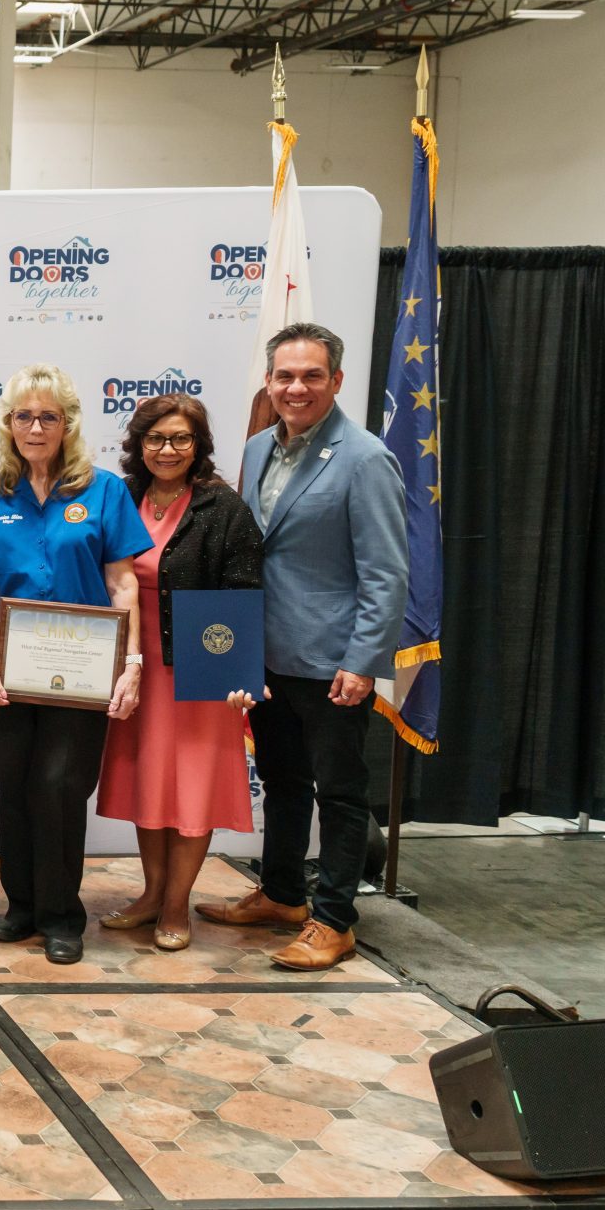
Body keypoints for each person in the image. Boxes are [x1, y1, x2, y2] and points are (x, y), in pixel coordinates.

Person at [198, 322, 408, 971]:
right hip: (266, 655)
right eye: (285, 376)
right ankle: (284, 893)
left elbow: (387, 571)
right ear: (269, 381)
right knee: (284, 781)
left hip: (332, 662)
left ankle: (335, 919)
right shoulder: (259, 447)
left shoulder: (366, 457)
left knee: (340, 793)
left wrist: (363, 661)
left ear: (336, 381)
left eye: (312, 375)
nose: (297, 387)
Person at [0, 365, 152, 966]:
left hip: (85, 667)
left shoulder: (103, 490)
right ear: (8, 424)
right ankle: (21, 907)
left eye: (48, 416)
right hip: (12, 667)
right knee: (15, 785)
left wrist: (133, 663)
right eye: (24, 416)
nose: (36, 427)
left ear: (67, 423)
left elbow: (123, 583)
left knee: (59, 786)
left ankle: (63, 914)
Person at [95, 394, 265, 951]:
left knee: (190, 790)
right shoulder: (121, 497)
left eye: (180, 439)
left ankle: (175, 904)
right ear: (138, 444)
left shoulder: (224, 508)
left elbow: (243, 592)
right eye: (155, 439)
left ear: (198, 447)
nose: (167, 450)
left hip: (199, 670)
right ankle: (150, 894)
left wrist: (240, 671)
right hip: (133, 669)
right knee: (149, 783)